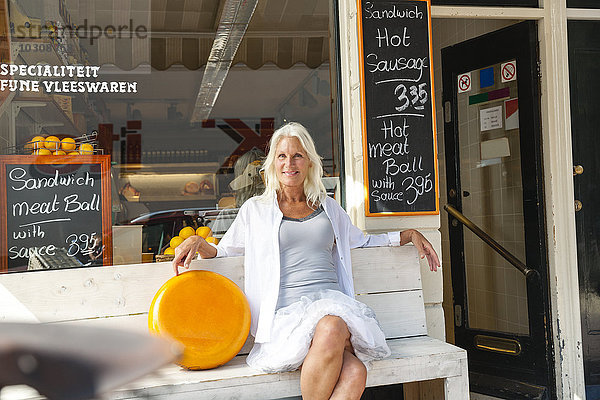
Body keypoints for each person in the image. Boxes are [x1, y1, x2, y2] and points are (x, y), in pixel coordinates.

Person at [172, 122, 440, 400]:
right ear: (273, 163)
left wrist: (407, 234)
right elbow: (227, 251)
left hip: (333, 305)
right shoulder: (257, 210)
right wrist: (199, 243)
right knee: (353, 367)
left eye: (297, 155)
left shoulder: (329, 207)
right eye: (282, 156)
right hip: (286, 320)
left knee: (349, 358)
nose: (290, 163)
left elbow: (361, 241)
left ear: (310, 162)